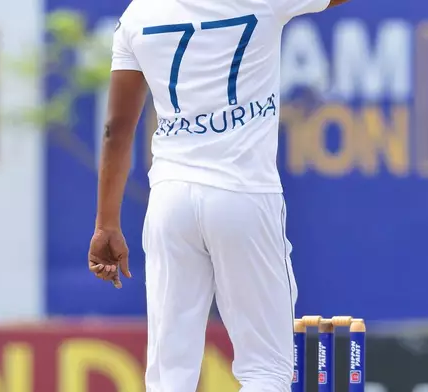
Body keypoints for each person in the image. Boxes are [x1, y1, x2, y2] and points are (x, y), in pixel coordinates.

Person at [88, 0, 351, 390]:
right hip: (243, 194)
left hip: (170, 201)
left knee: (168, 375)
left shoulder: (138, 14)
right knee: (266, 369)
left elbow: (116, 130)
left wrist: (106, 223)